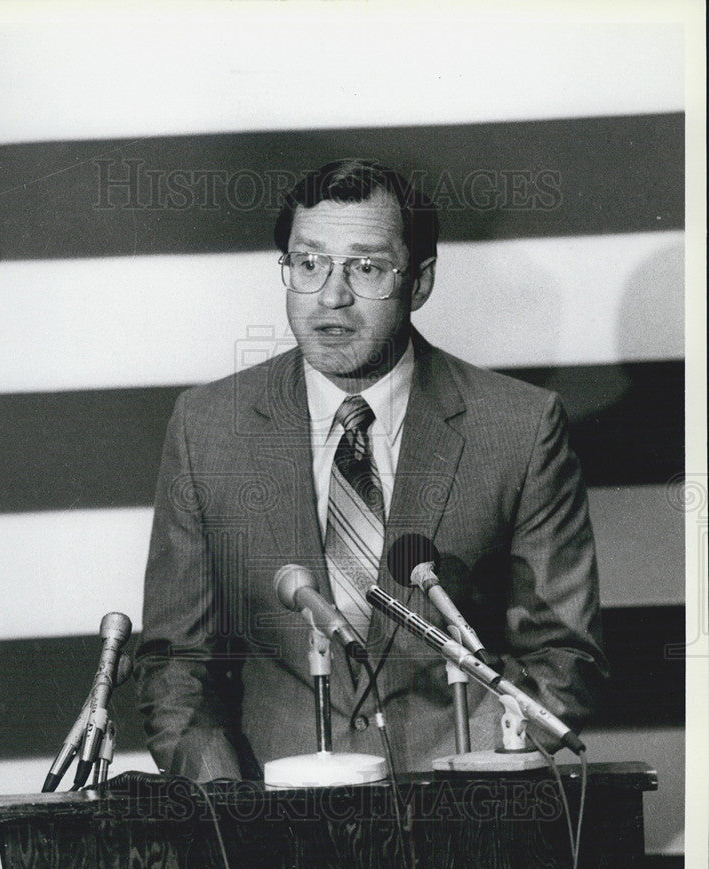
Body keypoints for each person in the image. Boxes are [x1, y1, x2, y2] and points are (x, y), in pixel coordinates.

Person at [136, 159, 608, 782]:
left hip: (463, 825)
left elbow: (562, 653)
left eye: (366, 267)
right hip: (269, 830)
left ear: (419, 282)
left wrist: (477, 780)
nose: (332, 296)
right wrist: (230, 809)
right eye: (309, 264)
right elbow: (176, 663)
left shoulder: (520, 426)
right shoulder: (207, 427)